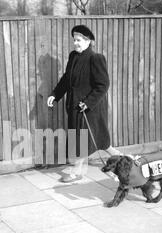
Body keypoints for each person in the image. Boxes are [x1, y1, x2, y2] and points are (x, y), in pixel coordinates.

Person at [47, 25, 121, 182]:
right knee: (97, 141)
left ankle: (76, 172)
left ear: (88, 41)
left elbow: (103, 85)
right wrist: (55, 95)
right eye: (74, 40)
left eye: (79, 40)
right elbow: (67, 79)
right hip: (75, 107)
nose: (75, 43)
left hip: (90, 109)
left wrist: (87, 102)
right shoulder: (73, 56)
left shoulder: (96, 58)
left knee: (83, 140)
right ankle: (123, 158)